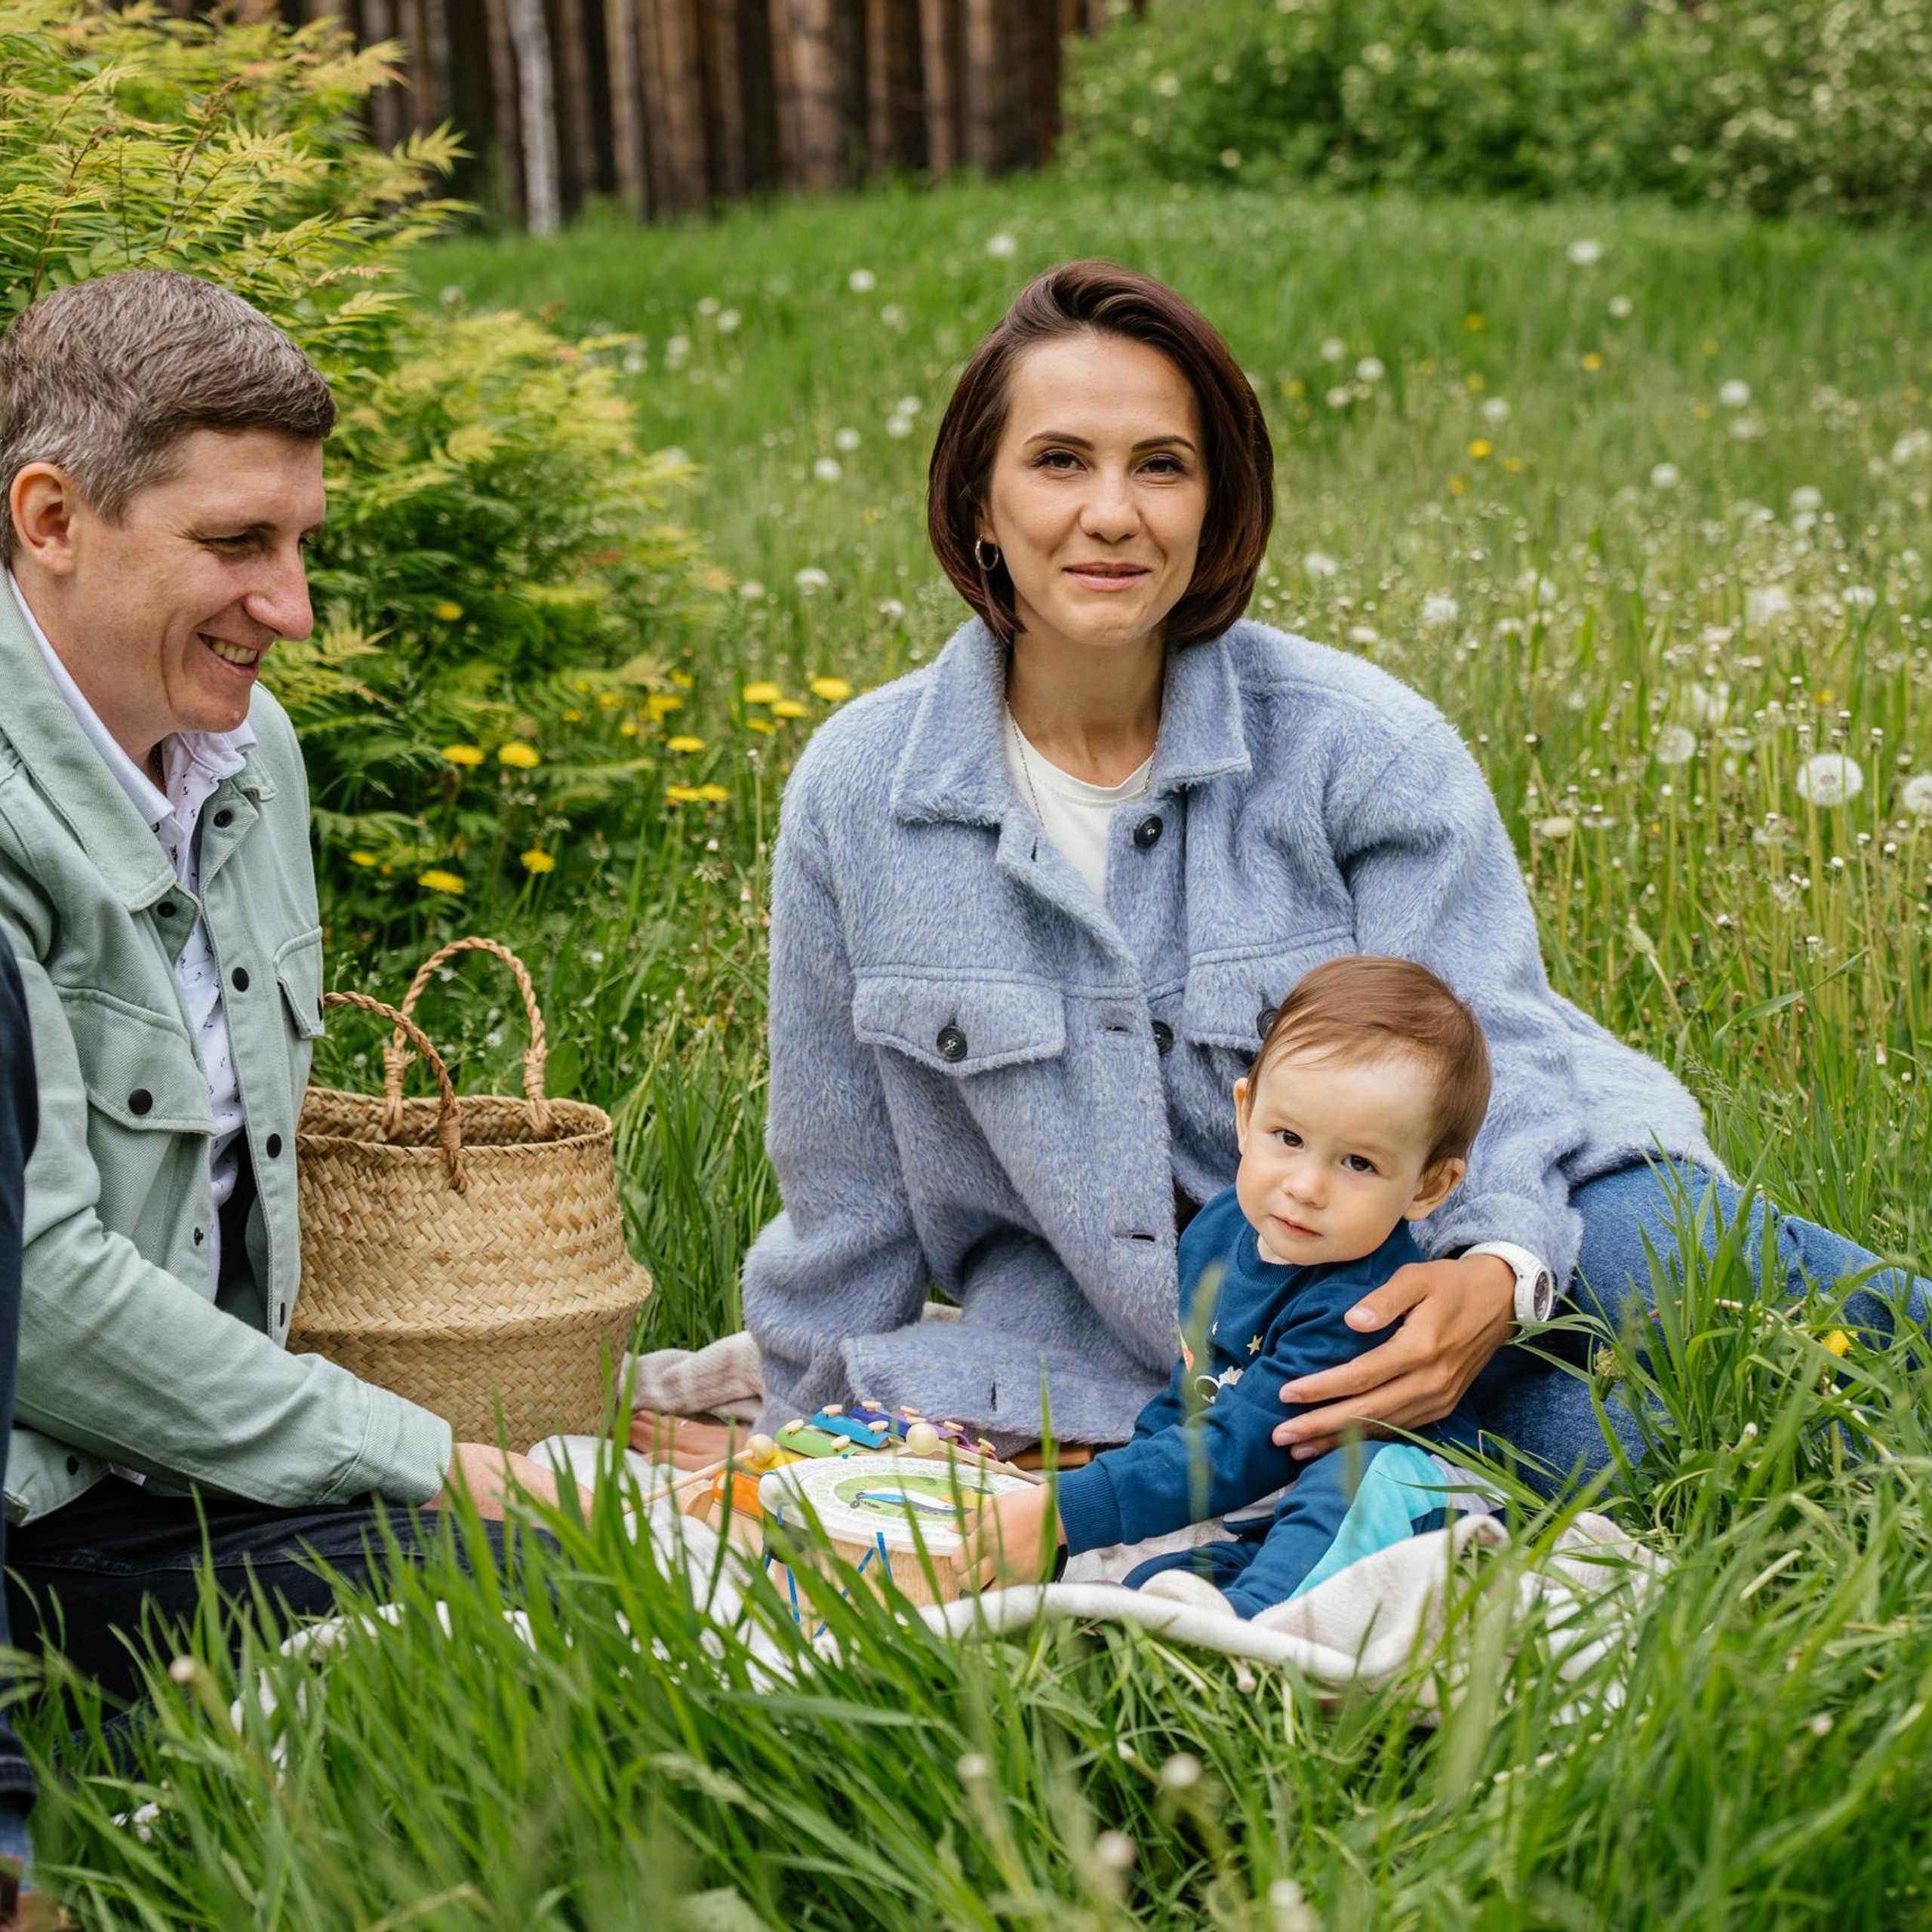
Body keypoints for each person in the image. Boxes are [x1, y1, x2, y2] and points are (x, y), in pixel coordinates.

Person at [741, 258, 1928, 1492]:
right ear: (978, 503)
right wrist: (794, 1451)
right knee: (1678, 1456)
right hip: (1229, 1341)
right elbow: (848, 1197)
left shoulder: (1363, 746)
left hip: (1512, 1186)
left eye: (1162, 466)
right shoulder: (860, 792)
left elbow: (1495, 1038)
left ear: (1215, 509)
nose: (1112, 512)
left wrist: (1497, 1268)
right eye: (1059, 461)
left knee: (1713, 1295)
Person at [0, 270, 571, 1709]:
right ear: (51, 520)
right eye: (236, 543)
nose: (294, 610)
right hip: (36, 1516)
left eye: (302, 543)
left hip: (190, 1466)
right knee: (551, 1605)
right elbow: (39, 1298)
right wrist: (428, 1459)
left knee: (616, 1572)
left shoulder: (254, 760)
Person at [964, 956, 1492, 1617]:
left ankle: (1259, 1628)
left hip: (1409, 1486)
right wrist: (1131, 1480)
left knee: (1352, 1483)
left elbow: (1237, 1449)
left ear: (1428, 1187)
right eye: (1289, 1137)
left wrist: (1072, 1509)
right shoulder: (1219, 1229)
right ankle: (1200, 1601)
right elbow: (1192, 1390)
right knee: (1158, 1573)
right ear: (1246, 1115)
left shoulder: (1364, 1304)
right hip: (1268, 1489)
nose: (1306, 1186)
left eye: (1358, 1162)